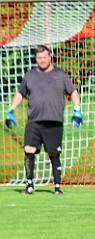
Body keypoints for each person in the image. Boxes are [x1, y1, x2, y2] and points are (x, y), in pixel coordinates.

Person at [5, 44, 83, 195]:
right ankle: (29, 184)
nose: (42, 60)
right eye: (39, 58)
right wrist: (11, 110)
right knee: (28, 150)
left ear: (50, 57)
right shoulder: (30, 75)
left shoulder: (61, 75)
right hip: (34, 122)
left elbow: (73, 92)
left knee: (53, 153)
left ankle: (57, 186)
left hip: (54, 122)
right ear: (36, 59)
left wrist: (77, 110)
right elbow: (21, 93)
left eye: (44, 57)